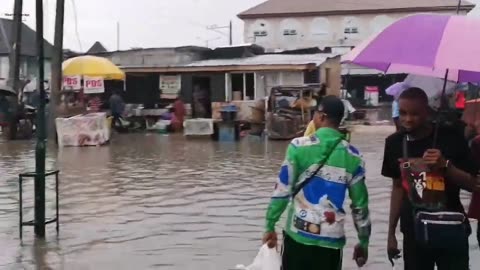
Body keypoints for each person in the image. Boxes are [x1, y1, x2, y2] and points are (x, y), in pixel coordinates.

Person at [263, 95, 371, 270]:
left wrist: (269, 225)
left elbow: (282, 191)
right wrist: (363, 241)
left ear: (320, 116)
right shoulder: (353, 156)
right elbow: (360, 206)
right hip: (331, 240)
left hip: (298, 235)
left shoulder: (298, 147)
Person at [382, 87, 479, 270]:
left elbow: (474, 184)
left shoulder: (451, 137)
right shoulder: (394, 143)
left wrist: (446, 166)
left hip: (452, 230)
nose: (408, 120)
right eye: (403, 113)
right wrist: (391, 234)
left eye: (415, 114)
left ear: (427, 112)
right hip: (413, 233)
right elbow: (397, 188)